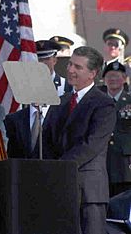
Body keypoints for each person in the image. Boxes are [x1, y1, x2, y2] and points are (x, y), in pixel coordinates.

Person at [43, 46, 116, 234]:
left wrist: (61, 167)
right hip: (60, 188)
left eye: (78, 67)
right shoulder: (61, 101)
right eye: (69, 64)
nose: (70, 70)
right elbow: (48, 140)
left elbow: (92, 145)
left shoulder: (103, 104)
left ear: (92, 73)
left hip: (88, 191)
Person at [102, 62, 131, 197]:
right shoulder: (98, 101)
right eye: (110, 76)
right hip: (103, 160)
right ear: (104, 79)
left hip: (125, 164)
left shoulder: (129, 101)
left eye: (117, 76)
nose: (113, 79)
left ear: (124, 78)